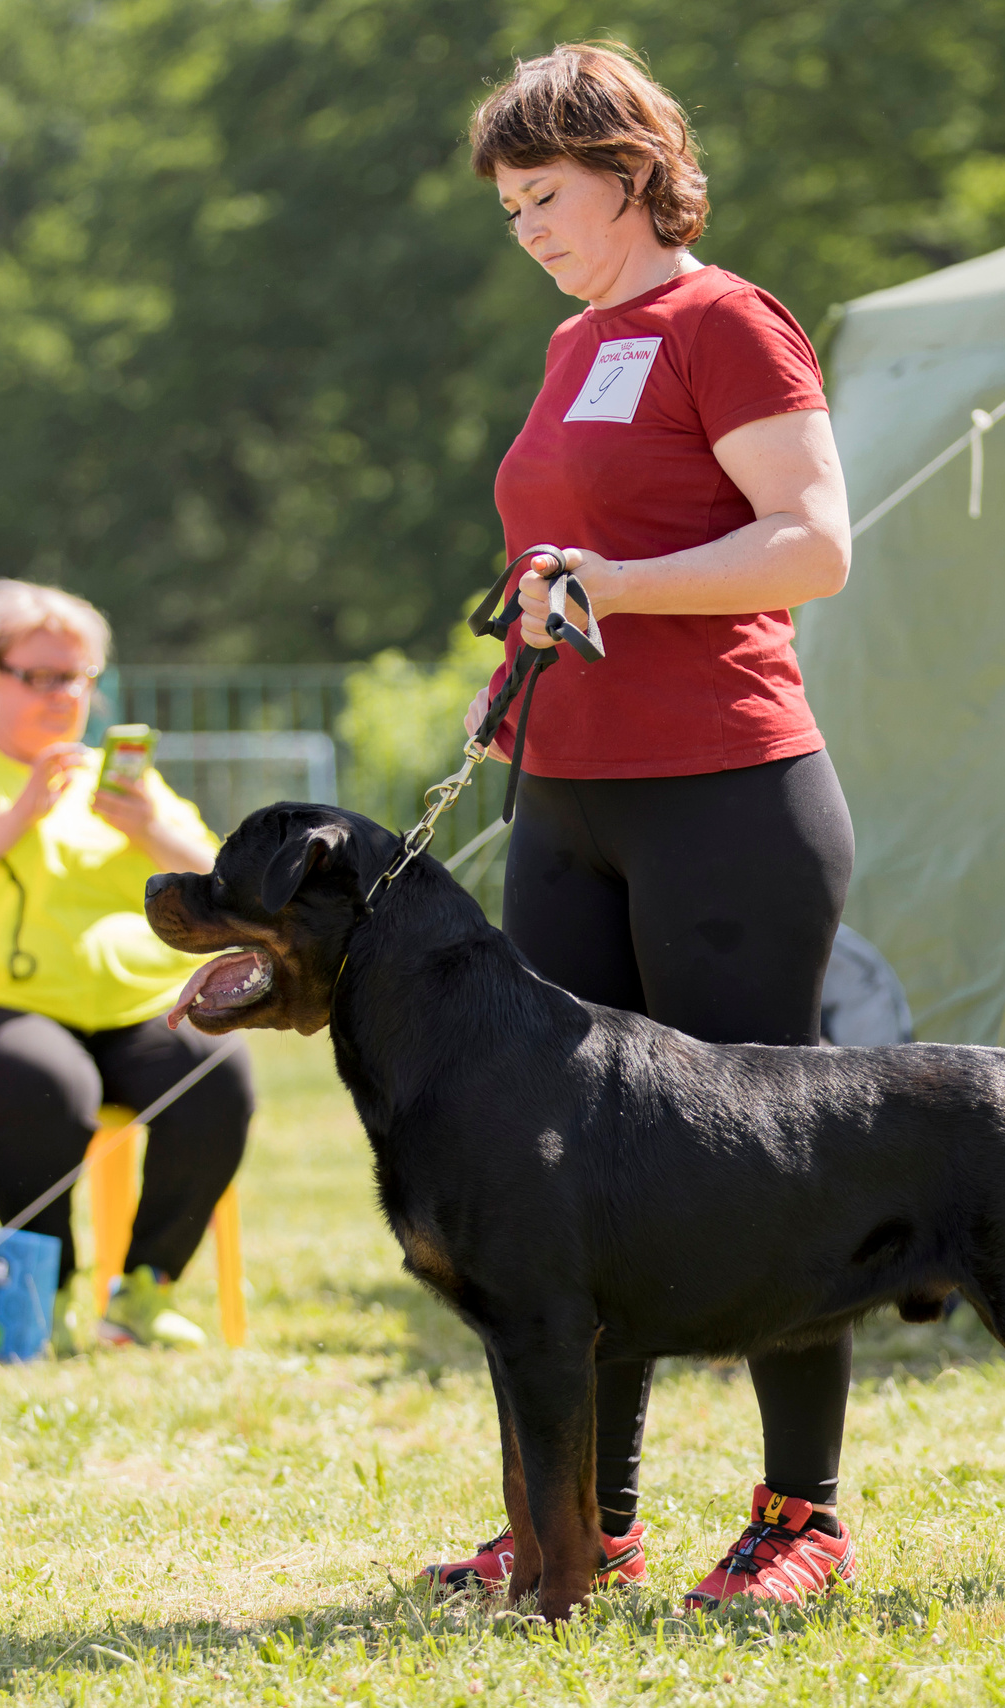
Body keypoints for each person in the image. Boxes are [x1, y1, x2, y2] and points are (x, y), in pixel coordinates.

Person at [426, 42, 858, 1612]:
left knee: (767, 1168)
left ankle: (799, 1521)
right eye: (509, 207)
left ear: (628, 168)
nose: (529, 227)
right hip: (572, 796)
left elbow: (812, 549)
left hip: (730, 798)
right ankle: (578, 1526)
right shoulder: (571, 343)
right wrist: (523, 648)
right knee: (559, 1171)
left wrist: (615, 587)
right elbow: (570, 547)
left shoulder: (727, 320)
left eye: (547, 195)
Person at [0, 579, 254, 1348]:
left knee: (216, 1072)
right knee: (49, 1084)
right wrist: (19, 812)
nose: (64, 695)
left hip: (126, 1012)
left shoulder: (124, 783)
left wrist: (153, 828)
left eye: (79, 677)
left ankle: (144, 1293)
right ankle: (38, 1295)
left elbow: (230, 891)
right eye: (42, 676)